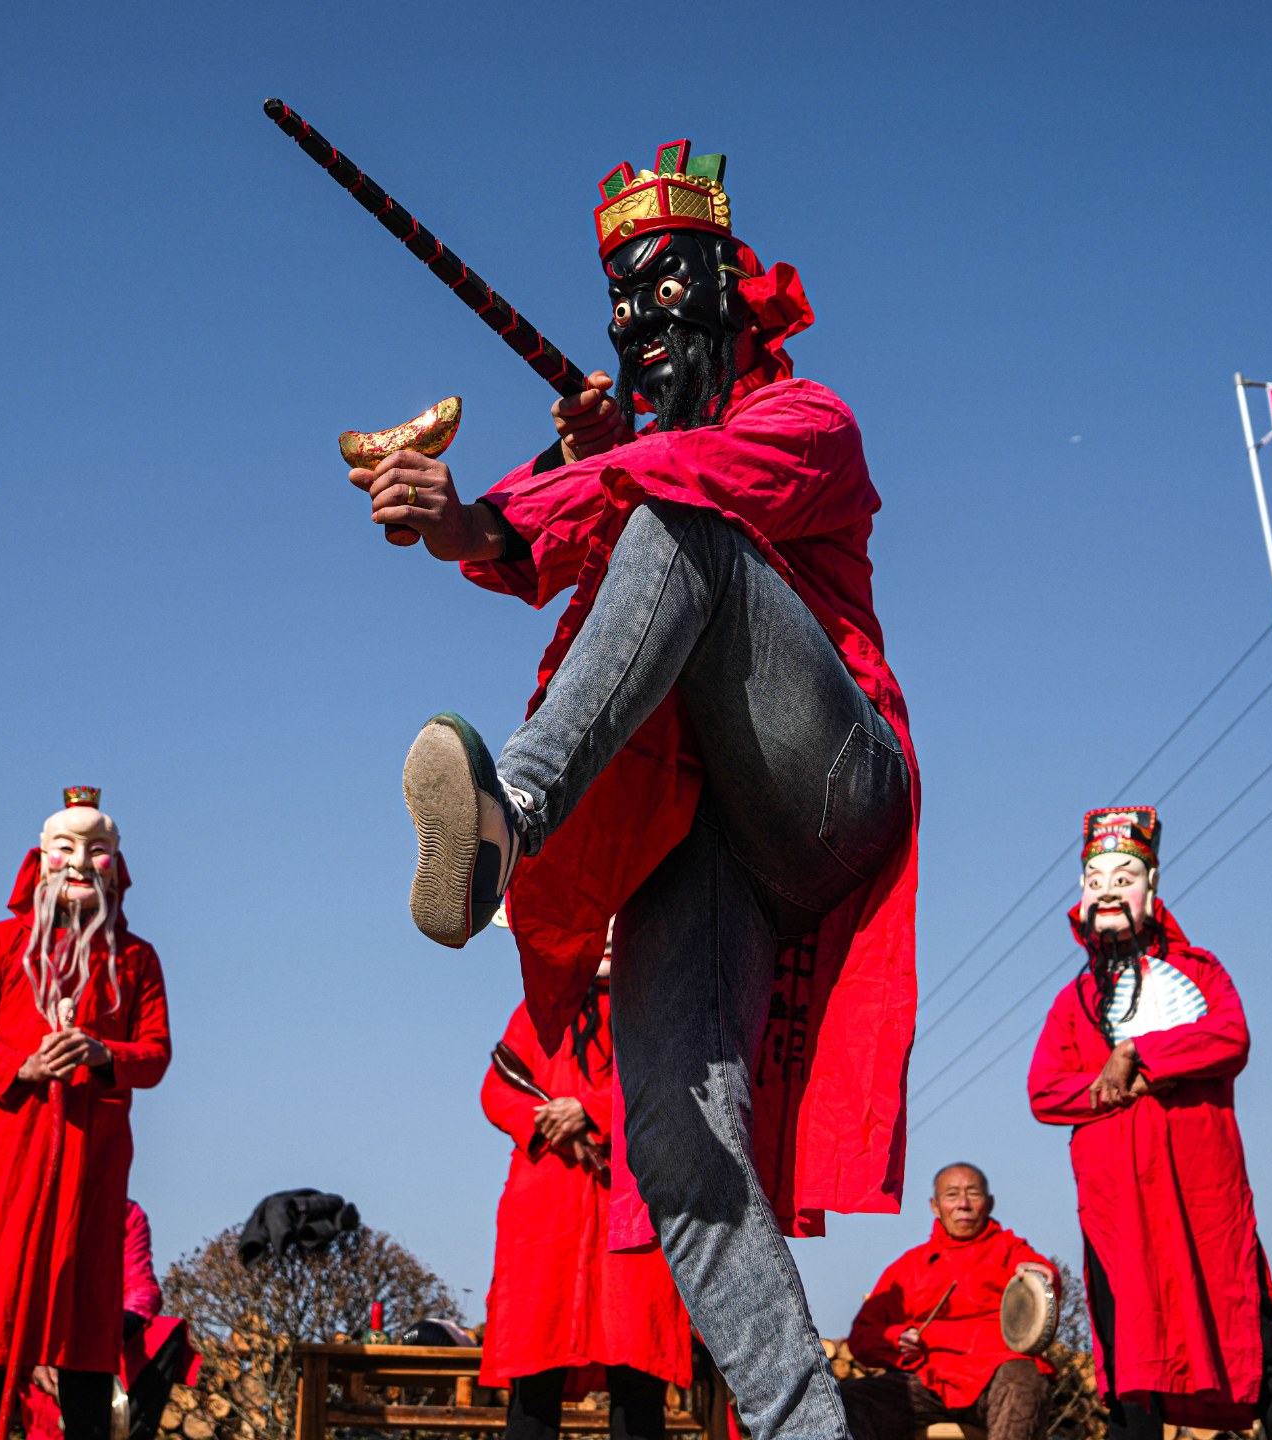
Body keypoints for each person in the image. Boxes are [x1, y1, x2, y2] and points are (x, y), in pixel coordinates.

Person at [350, 138, 916, 1440]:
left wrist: (531, 498)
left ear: (726, 288)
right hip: (704, 822)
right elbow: (596, 512)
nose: (636, 328)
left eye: (661, 292)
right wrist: (466, 520)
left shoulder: (807, 418)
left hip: (830, 777)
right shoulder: (649, 453)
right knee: (671, 1132)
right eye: (618, 305)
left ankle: (517, 812)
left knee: (677, 523)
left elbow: (685, 486)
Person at [1025, 809, 1272, 1440]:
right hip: (1117, 1208)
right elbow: (1045, 1093)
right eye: (1093, 877)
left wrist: (1144, 1054)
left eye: (1124, 874)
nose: (1106, 887)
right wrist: (1109, 1085)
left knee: (1256, 1341)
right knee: (1130, 1364)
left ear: (1152, 889)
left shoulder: (1200, 971)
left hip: (1203, 1196)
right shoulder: (1071, 1002)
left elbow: (1230, 1038)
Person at [0, 787, 173, 1440]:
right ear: (40, 859)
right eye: (66, 848)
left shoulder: (137, 958)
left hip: (92, 1159)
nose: (81, 863)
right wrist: (22, 1066)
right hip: (0, 1156)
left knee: (84, 1316)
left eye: (97, 851)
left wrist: (101, 1050)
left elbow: (155, 1056)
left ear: (116, 864)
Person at [481, 968, 692, 1440]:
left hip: (632, 1207)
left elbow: (674, 1090)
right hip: (545, 1210)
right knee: (535, 1375)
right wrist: (548, 1125)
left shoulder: (658, 1009)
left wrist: (589, 1110)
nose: (613, 928)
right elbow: (498, 1089)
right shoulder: (542, 1009)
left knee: (638, 1371)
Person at [837, 1164, 1053, 1440]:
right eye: (952, 1195)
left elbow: (1044, 1279)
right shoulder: (908, 1267)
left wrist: (1041, 1277)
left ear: (989, 1203)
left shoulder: (1011, 1251)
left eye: (972, 1193)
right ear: (935, 1206)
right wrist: (895, 1338)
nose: (963, 1204)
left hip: (996, 1378)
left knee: (1024, 1378)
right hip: (925, 1382)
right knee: (843, 1402)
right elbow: (863, 1336)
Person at [17, 1199, 203, 1440]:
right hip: (42, 1354)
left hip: (107, 1348)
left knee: (167, 1332)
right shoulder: (37, 1208)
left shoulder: (126, 1214)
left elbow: (141, 1287)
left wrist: (113, 1331)